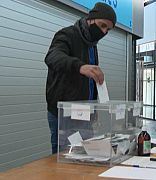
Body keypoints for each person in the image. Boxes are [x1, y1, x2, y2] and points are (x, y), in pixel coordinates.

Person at [45, 3, 117, 154]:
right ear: (91, 19)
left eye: (108, 30)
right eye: (102, 25)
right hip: (64, 115)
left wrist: (94, 110)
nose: (104, 32)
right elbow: (52, 57)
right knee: (65, 159)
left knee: (86, 157)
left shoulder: (92, 45)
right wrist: (80, 66)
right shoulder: (67, 35)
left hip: (85, 115)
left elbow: (88, 83)